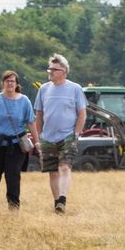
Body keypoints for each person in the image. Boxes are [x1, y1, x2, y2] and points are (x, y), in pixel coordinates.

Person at [0, 71, 38, 209]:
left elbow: (31, 123)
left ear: (17, 84)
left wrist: (37, 142)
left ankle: (13, 206)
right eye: (7, 81)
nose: (10, 83)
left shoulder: (24, 101)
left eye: (12, 81)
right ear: (3, 83)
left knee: (13, 176)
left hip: (16, 146)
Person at [34, 54, 86, 214]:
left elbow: (82, 114)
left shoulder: (75, 88)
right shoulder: (43, 89)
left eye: (54, 69)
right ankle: (57, 203)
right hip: (47, 137)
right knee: (52, 172)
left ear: (64, 71)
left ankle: (62, 198)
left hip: (68, 136)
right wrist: (39, 136)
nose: (50, 71)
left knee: (64, 167)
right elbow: (39, 115)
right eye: (49, 68)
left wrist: (76, 134)